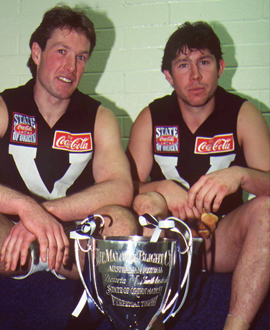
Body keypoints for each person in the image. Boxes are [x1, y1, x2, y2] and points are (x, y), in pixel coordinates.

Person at [127, 21, 270, 330]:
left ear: (219, 67)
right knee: (147, 201)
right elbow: (122, 190)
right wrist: (161, 188)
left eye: (203, 62)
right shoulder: (151, 117)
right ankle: (151, 323)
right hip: (168, 244)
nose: (194, 76)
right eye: (183, 65)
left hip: (220, 242)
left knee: (268, 211)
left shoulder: (243, 113)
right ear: (168, 75)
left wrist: (240, 175)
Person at [0, 4, 138, 281]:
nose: (71, 67)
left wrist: (44, 214)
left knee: (122, 221)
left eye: (81, 56)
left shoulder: (100, 116)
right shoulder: (5, 106)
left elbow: (121, 187)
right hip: (10, 233)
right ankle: (31, 261)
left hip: (72, 237)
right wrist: (25, 209)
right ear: (37, 53)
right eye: (61, 51)